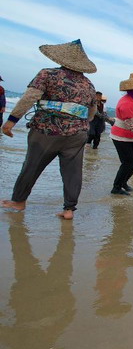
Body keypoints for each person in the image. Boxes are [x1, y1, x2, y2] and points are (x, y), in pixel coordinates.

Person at [1, 39, 97, 219]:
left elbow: (29, 98)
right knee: (73, 171)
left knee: (32, 165)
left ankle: (19, 201)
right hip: (78, 134)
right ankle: (69, 209)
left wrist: (11, 121)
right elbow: (92, 112)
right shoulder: (89, 85)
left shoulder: (48, 74)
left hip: (47, 130)